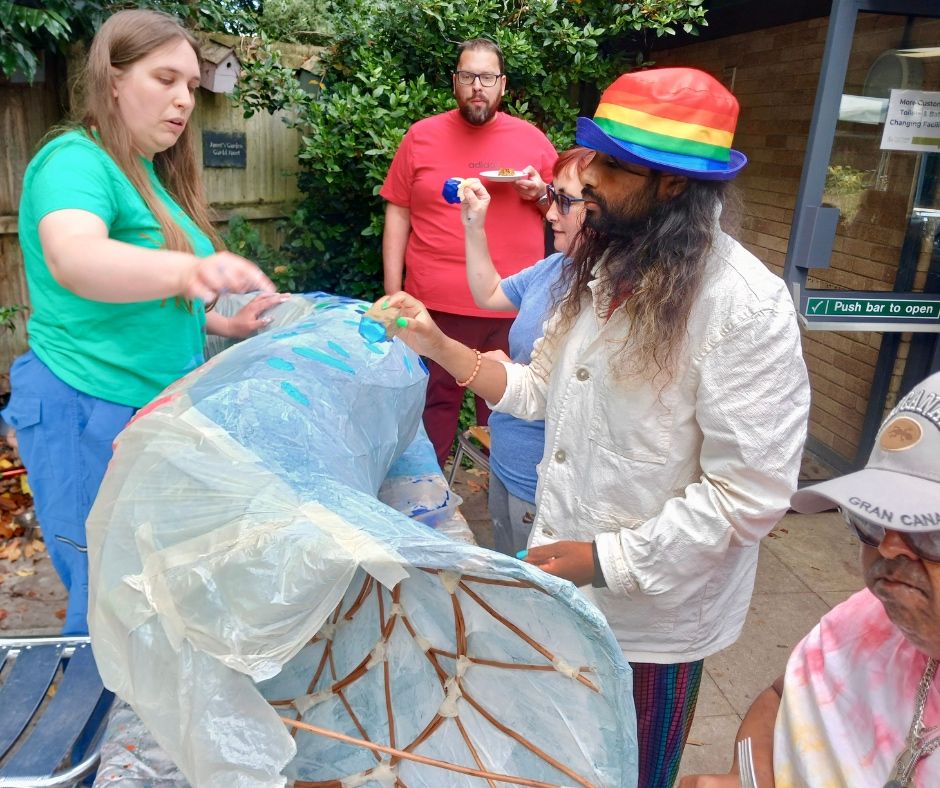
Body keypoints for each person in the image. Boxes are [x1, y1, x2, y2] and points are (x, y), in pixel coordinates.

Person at [379, 67, 811, 787]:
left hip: (655, 623)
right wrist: (436, 344)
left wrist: (604, 560)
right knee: (561, 759)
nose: (588, 183)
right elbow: (539, 388)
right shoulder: (604, 271)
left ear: (672, 185)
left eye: (611, 166)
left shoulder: (746, 307)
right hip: (570, 585)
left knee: (630, 770)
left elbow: (750, 495)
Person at [2, 9, 277, 637]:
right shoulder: (74, 162)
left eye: (190, 87)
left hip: (143, 409)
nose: (183, 100)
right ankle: (95, 728)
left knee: (145, 588)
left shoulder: (146, 173)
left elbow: (145, 291)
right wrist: (188, 274)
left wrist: (222, 324)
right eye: (165, 79)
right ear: (113, 79)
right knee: (106, 600)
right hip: (84, 408)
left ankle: (132, 723)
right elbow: (78, 259)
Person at [680, 370, 940, 788]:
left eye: (931, 531)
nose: (888, 547)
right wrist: (748, 777)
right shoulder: (868, 619)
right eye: (871, 519)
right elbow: (782, 697)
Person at [380, 38, 557, 468]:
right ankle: (425, 499)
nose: (478, 86)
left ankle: (505, 504)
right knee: (431, 409)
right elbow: (397, 215)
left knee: (508, 415)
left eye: (488, 77)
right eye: (468, 76)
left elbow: (563, 213)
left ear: (503, 85)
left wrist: (540, 193)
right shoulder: (420, 137)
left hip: (513, 310)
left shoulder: (532, 142)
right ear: (455, 82)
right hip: (435, 306)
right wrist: (393, 292)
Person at [461, 147, 592, 555]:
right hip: (506, 458)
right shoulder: (556, 267)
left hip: (540, 486)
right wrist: (473, 226)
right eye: (552, 195)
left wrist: (502, 371)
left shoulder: (602, 293)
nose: (550, 212)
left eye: (565, 201)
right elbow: (490, 293)